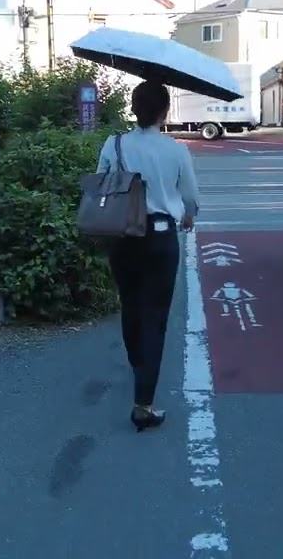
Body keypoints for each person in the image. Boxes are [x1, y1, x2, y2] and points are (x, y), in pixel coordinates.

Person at [95, 80, 199, 432]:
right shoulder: (176, 150)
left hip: (123, 234)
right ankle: (143, 403)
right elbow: (190, 196)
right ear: (165, 111)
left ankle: (139, 365)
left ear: (134, 108)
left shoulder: (114, 144)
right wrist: (188, 215)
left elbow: (101, 183)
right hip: (161, 236)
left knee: (130, 305)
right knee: (155, 316)